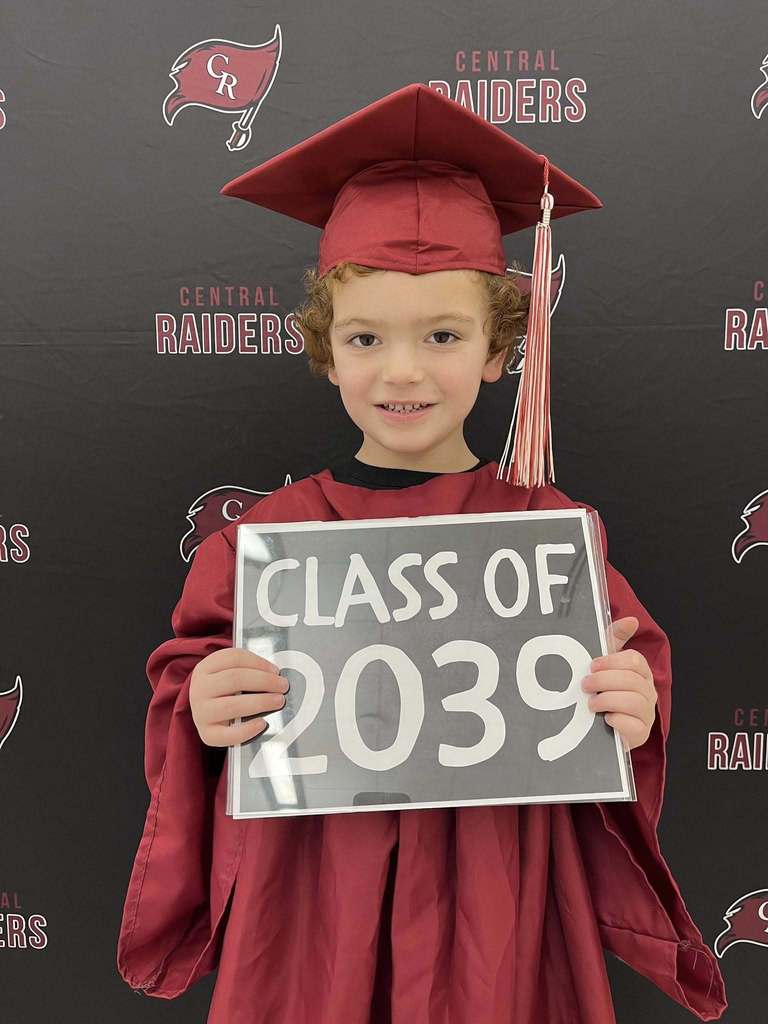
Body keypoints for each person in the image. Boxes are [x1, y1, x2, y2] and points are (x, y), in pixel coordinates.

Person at [116, 84, 727, 1022]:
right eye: (366, 337)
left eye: (443, 335)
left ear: (498, 350)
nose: (403, 370)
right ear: (325, 349)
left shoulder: (550, 532)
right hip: (312, 896)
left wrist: (632, 706)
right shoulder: (262, 542)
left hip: (498, 889)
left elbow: (625, 663)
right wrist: (201, 706)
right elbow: (189, 689)